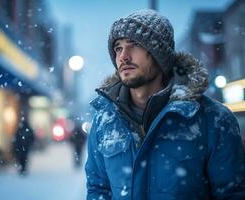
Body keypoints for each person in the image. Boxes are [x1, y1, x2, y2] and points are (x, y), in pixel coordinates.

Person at [85, 9, 245, 200]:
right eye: (118, 48)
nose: (123, 56)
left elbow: (232, 194)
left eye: (134, 45)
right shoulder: (104, 122)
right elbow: (98, 189)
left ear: (159, 53)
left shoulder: (212, 119)